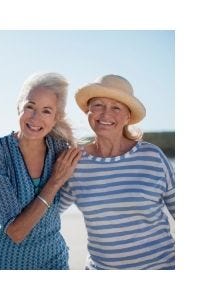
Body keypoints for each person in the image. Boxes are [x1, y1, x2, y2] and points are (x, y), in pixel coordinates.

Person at [60, 74, 175, 270]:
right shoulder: (75, 161)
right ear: (88, 111)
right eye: (97, 105)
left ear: (128, 116)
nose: (105, 114)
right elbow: (48, 212)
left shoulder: (152, 157)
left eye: (116, 107)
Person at [0, 72, 82, 270]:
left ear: (56, 117)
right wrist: (54, 182)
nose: (35, 118)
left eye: (46, 111)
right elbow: (16, 232)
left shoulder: (62, 150)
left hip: (52, 261)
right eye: (30, 107)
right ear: (19, 107)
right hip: (2, 262)